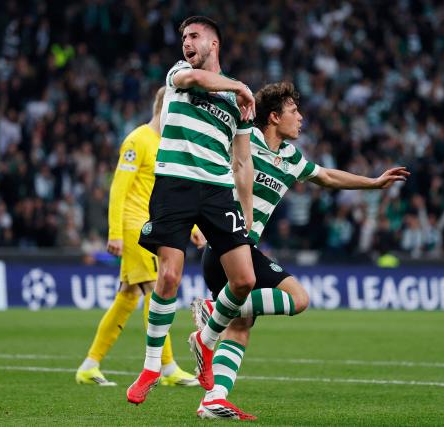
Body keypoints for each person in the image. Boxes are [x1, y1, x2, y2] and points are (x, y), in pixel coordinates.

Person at [192, 82, 409, 419]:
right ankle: (213, 310)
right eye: (294, 111)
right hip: (228, 246)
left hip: (243, 251)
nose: (301, 118)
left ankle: (213, 398)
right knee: (299, 298)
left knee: (241, 326)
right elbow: (206, 176)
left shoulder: (290, 157)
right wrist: (195, 223)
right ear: (274, 117)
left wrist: (373, 183)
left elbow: (327, 177)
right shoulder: (242, 140)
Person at [126, 16, 259, 410]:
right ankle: (151, 366)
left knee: (245, 279)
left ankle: (204, 339)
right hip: (175, 183)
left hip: (217, 190)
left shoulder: (238, 103)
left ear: (213, 44)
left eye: (194, 36)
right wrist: (239, 85)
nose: (186, 42)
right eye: (184, 36)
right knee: (168, 276)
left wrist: (248, 216)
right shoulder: (180, 72)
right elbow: (196, 82)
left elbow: (242, 161)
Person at [75, 87, 203, 387]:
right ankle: (168, 367)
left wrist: (195, 228)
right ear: (165, 108)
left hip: (154, 226)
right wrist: (115, 233)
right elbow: (119, 188)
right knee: (156, 292)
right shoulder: (137, 140)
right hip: (135, 229)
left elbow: (173, 194)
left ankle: (89, 365)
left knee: (128, 297)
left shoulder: (168, 145)